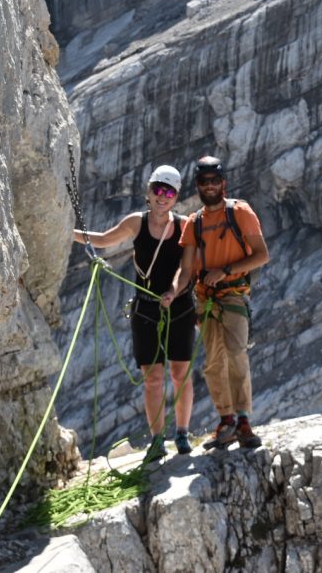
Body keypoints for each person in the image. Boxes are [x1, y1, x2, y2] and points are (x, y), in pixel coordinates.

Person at [73, 165, 196, 456]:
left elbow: (186, 268)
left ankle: (181, 433)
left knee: (180, 373)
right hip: (146, 309)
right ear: (149, 192)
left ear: (175, 197)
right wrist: (68, 231)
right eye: (158, 190)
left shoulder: (184, 226)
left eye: (169, 192)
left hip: (178, 306)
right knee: (153, 377)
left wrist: (173, 291)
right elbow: (103, 240)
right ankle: (157, 439)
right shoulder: (136, 223)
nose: (162, 197)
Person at [161, 156, 270, 449]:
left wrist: (225, 271)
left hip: (233, 294)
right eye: (204, 182)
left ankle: (243, 420)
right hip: (206, 299)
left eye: (214, 181)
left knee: (236, 354)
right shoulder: (194, 223)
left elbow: (261, 255)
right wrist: (173, 291)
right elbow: (186, 270)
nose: (209, 186)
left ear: (223, 183)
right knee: (212, 363)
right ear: (198, 186)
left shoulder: (241, 212)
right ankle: (227, 420)